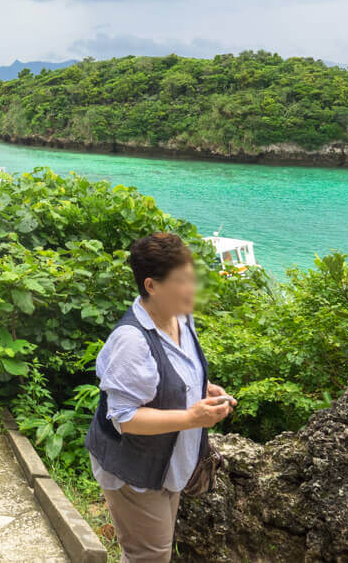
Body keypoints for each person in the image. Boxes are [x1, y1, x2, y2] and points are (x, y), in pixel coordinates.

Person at [84, 232, 236, 563]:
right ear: (151, 286)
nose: (193, 289)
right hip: (133, 469)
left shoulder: (181, 316)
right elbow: (122, 416)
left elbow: (181, 368)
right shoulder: (132, 342)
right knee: (150, 557)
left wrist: (204, 388)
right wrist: (191, 417)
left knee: (147, 554)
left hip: (168, 464)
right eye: (182, 281)